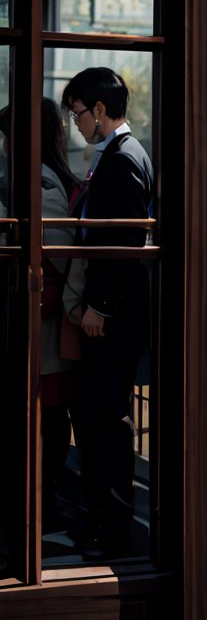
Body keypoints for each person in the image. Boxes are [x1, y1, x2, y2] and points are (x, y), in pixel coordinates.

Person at [62, 67, 155, 560]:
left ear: (100, 110)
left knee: (107, 424)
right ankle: (101, 521)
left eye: (78, 113)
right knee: (98, 422)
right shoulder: (114, 154)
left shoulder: (122, 158)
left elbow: (122, 241)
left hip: (113, 319)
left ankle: (113, 531)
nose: (75, 123)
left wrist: (99, 304)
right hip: (110, 316)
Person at [0, 100, 81, 533]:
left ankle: (41, 504)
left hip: (42, 324)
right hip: (39, 322)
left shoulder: (41, 183)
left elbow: (53, 257)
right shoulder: (40, 178)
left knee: (45, 420)